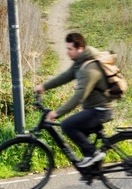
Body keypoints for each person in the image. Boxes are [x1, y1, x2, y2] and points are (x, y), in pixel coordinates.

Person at [40, 31, 119, 171]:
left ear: (80, 49)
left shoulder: (89, 69)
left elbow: (78, 97)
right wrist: (43, 86)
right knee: (78, 133)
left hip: (100, 110)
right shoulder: (79, 63)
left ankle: (93, 154)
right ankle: (92, 169)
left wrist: (57, 113)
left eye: (70, 49)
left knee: (67, 125)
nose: (67, 52)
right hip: (93, 109)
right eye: (67, 48)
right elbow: (66, 76)